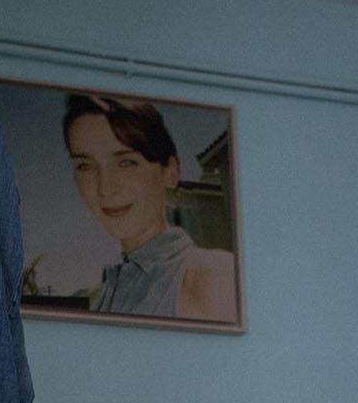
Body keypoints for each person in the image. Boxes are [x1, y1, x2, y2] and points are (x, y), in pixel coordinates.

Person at [62, 93, 237, 324]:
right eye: (85, 165)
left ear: (170, 171)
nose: (105, 188)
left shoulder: (213, 276)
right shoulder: (97, 297)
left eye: (126, 162)